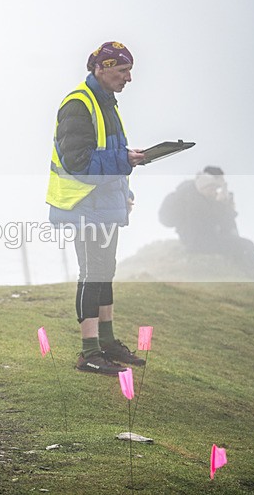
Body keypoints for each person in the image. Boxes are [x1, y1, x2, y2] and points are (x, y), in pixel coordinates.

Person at [45, 42, 147, 375]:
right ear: (100, 68)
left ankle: (107, 341)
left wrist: (125, 192)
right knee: (91, 273)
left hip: (105, 204)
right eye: (122, 71)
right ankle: (88, 351)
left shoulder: (107, 103)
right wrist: (124, 161)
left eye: (129, 71)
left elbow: (114, 154)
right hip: (82, 205)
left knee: (105, 270)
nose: (128, 78)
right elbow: (78, 162)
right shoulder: (78, 104)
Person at [159, 166, 254, 272]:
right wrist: (222, 204)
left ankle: (247, 271)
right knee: (246, 245)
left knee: (239, 243)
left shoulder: (193, 193)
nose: (215, 191)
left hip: (200, 239)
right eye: (214, 187)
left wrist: (222, 203)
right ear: (207, 183)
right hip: (198, 242)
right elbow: (218, 219)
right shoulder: (195, 199)